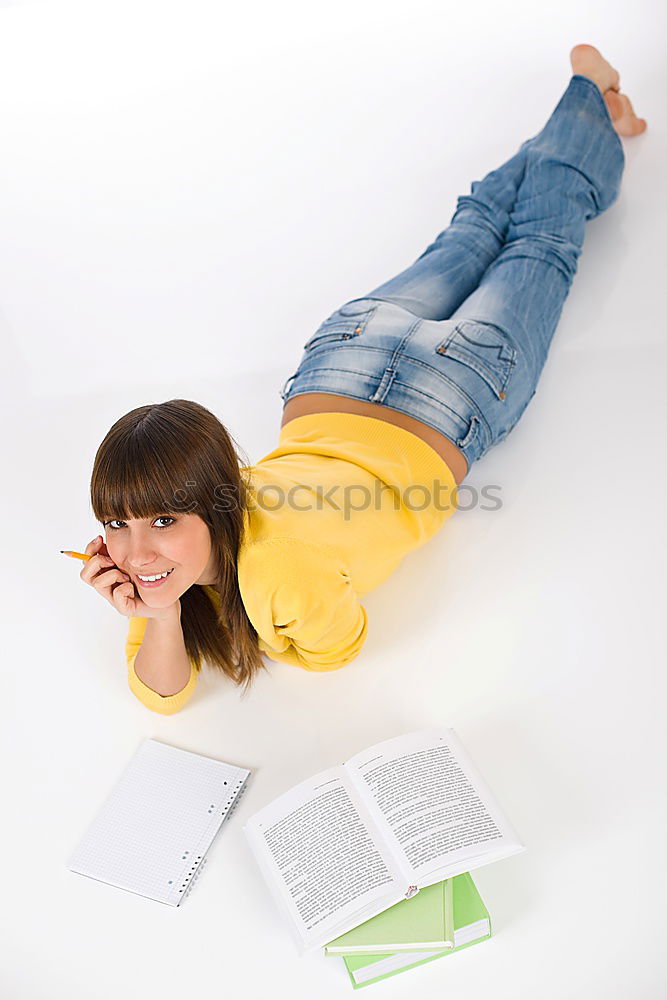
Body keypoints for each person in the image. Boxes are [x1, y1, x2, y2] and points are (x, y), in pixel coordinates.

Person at [80, 44, 646, 715]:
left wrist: (168, 609)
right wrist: (160, 606)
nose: (134, 550)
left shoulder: (276, 577)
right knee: (474, 228)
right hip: (340, 364)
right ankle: (586, 114)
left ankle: (587, 97)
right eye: (117, 521)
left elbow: (333, 650)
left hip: (447, 395)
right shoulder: (203, 549)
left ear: (213, 495)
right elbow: (161, 695)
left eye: (164, 518)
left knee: (539, 244)